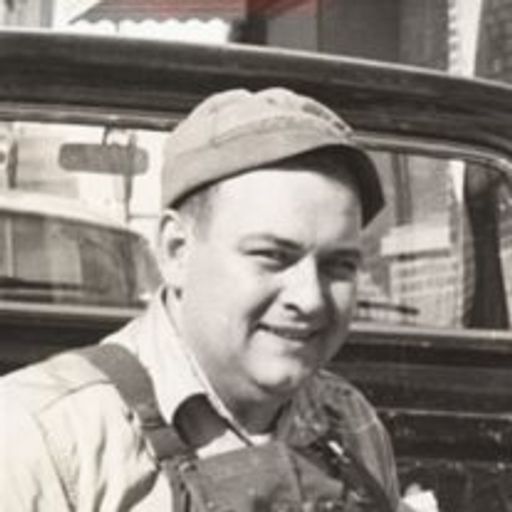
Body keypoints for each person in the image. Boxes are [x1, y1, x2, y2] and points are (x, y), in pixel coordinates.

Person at [0, 87, 403, 511]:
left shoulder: (348, 419)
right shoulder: (41, 438)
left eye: (339, 265)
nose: (311, 299)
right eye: (272, 256)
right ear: (176, 251)